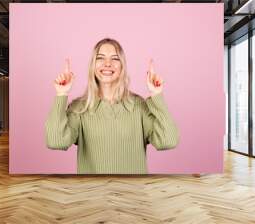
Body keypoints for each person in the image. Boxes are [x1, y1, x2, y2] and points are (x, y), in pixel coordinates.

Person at [45, 38, 179, 174]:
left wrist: (156, 94)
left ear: (122, 66)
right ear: (93, 65)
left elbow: (168, 141)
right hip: (92, 194)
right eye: (100, 58)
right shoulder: (79, 108)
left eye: (115, 58)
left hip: (133, 194)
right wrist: (61, 94)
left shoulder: (139, 106)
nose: (107, 64)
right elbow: (56, 142)